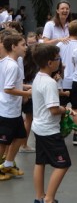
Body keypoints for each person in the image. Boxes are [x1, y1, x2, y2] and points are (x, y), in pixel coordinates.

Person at [31, 44, 76, 203]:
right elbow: (54, 110)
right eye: (58, 59)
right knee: (63, 164)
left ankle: (39, 197)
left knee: (40, 161)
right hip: (49, 130)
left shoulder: (39, 77)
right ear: (50, 63)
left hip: (39, 127)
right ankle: (49, 199)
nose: (60, 62)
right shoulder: (49, 83)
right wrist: (67, 109)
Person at [0, 34, 31, 181]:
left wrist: (27, 86)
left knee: (20, 136)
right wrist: (26, 93)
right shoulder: (12, 65)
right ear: (13, 47)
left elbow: (11, 84)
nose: (26, 47)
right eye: (23, 44)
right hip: (8, 110)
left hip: (12, 110)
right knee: (3, 142)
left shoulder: (7, 62)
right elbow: (8, 88)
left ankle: (8, 164)